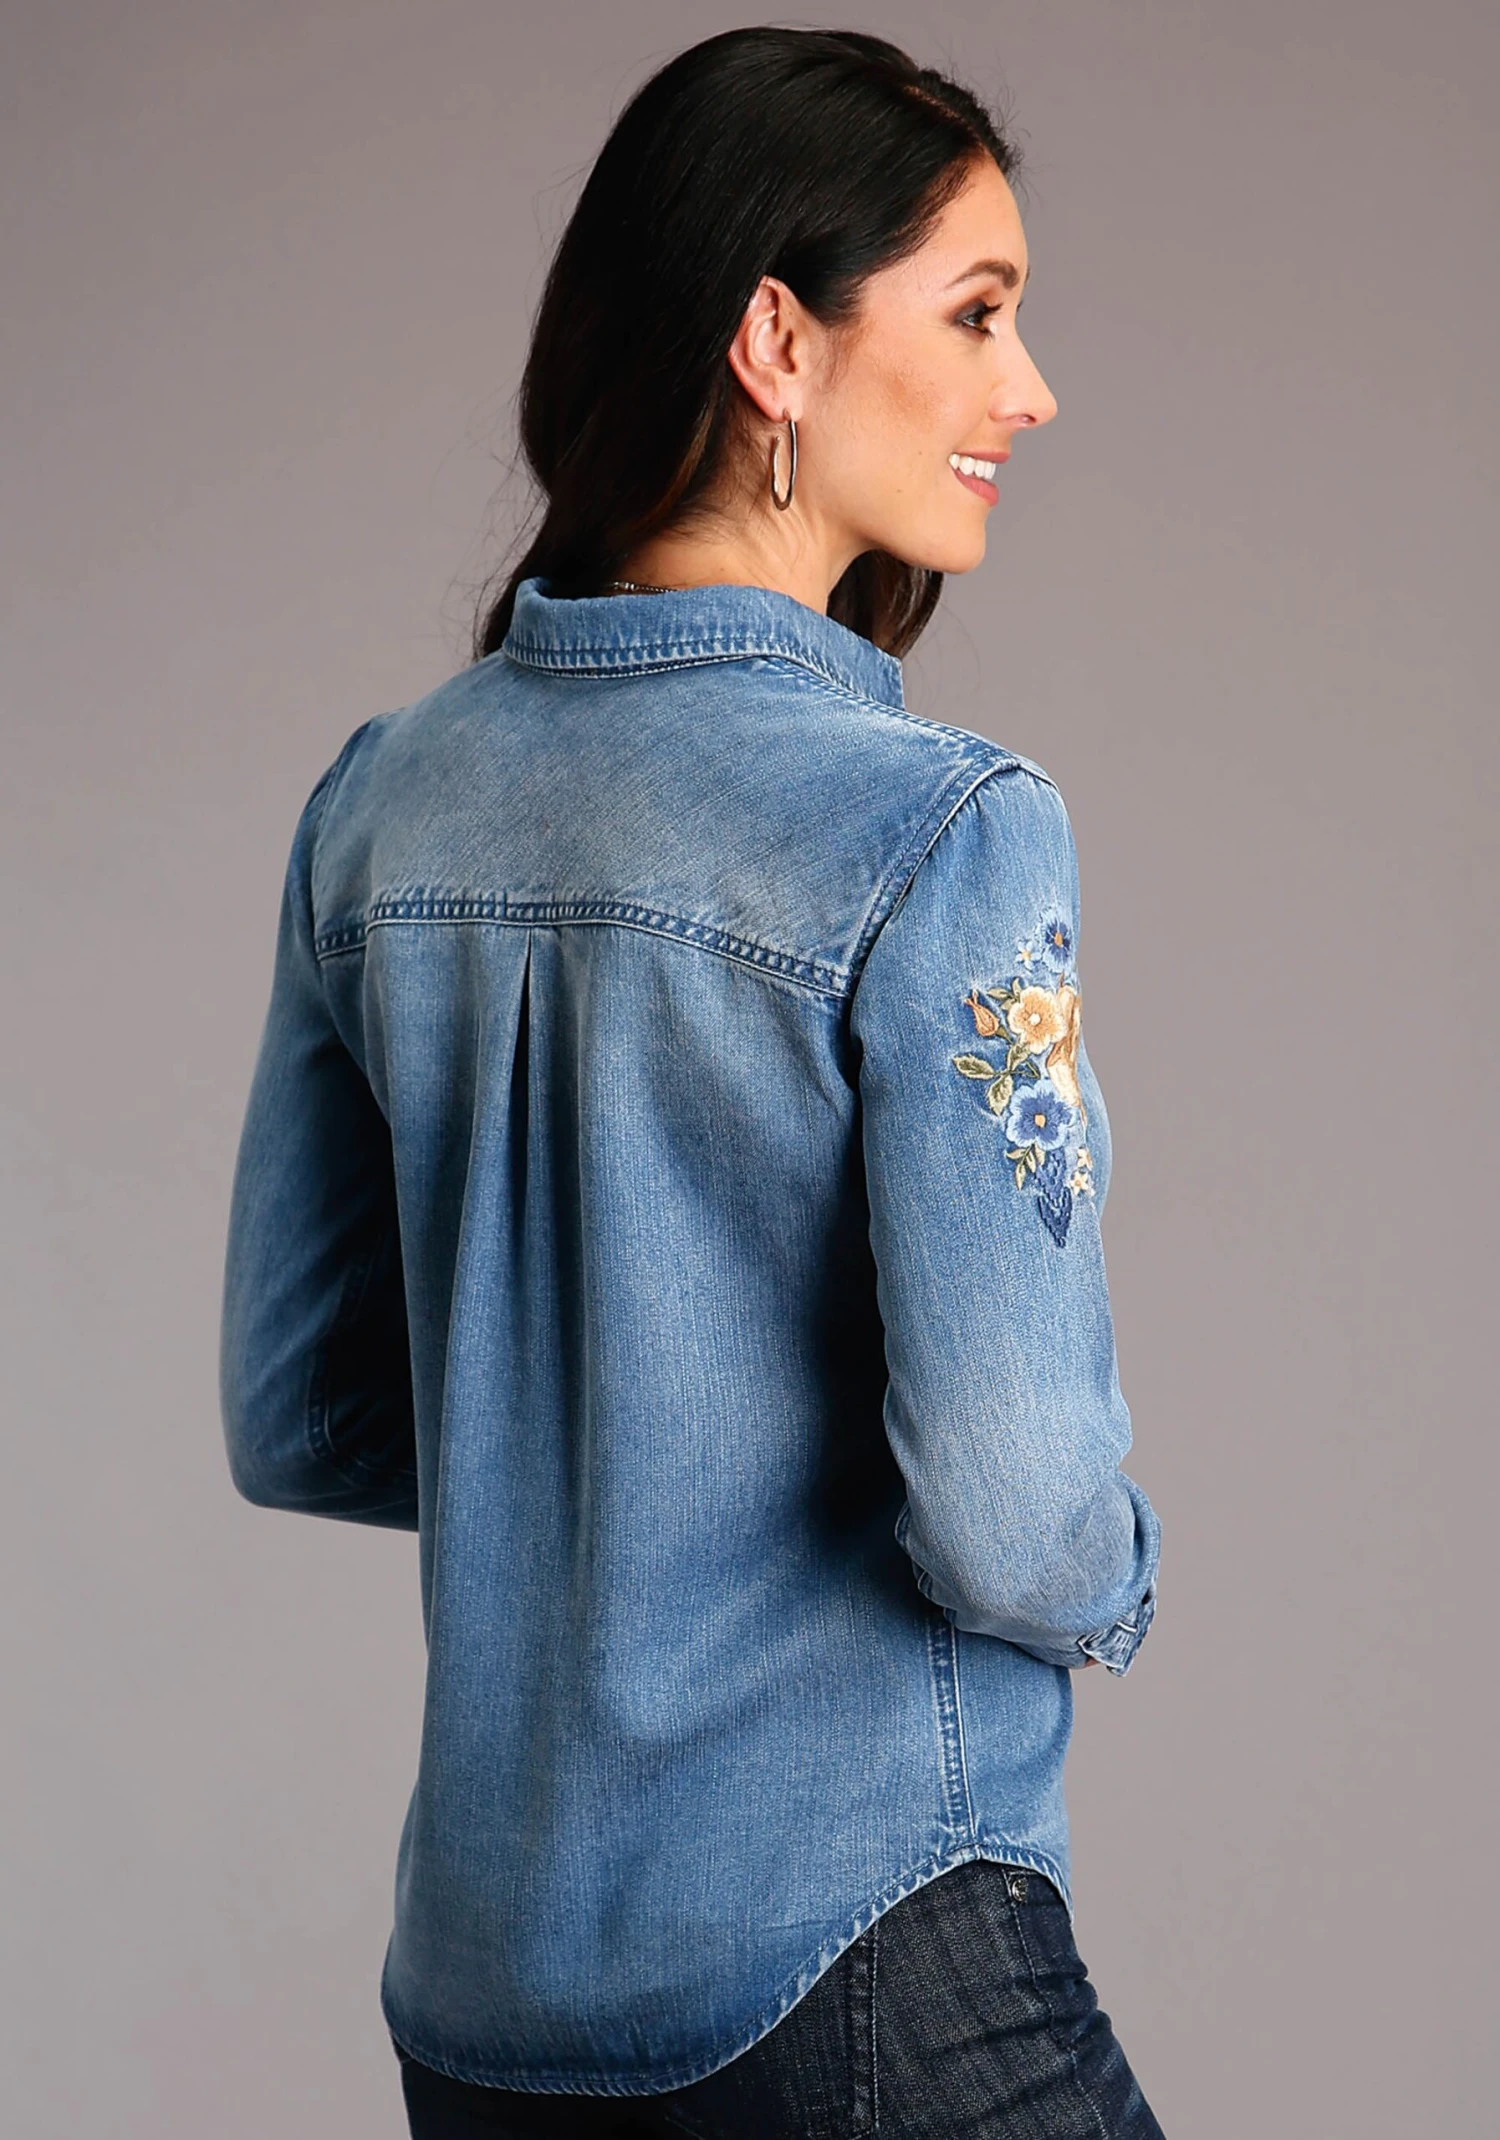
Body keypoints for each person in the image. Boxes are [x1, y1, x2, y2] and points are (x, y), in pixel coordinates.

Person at [218, 25, 1164, 2139]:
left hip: (487, 2009)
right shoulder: (943, 829)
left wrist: (608, 1460)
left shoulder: (378, 808)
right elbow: (1019, 1520)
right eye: (979, 313)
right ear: (778, 341)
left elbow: (302, 1416)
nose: (1029, 388)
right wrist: (1121, 1569)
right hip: (866, 1943)